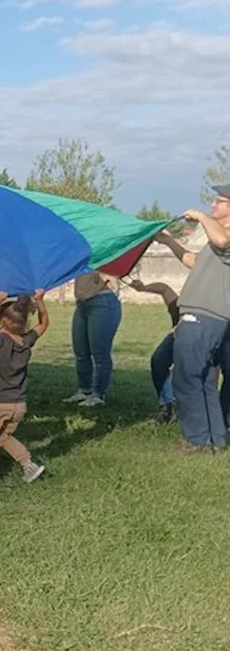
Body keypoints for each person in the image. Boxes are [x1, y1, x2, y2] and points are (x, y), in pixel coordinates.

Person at [154, 191, 230, 454]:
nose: (212, 204)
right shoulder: (217, 241)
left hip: (202, 317)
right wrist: (168, 241)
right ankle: (215, 440)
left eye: (219, 201)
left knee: (185, 378)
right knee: (204, 381)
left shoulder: (223, 236)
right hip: (207, 318)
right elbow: (193, 262)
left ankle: (196, 440)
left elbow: (221, 239)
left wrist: (201, 216)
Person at [0, 292, 49, 483]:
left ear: (1, 320)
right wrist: (40, 300)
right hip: (18, 404)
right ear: (24, 323)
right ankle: (29, 465)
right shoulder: (26, 342)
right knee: (3, 437)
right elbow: (43, 324)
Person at [124, 274, 180, 423]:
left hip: (201, 338)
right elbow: (164, 289)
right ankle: (167, 405)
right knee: (158, 360)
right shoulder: (179, 306)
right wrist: (143, 288)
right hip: (177, 337)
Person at [64, 271, 122, 408]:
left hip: (102, 301)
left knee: (100, 353)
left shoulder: (101, 252)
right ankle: (85, 390)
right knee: (81, 351)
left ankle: (98, 395)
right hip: (82, 304)